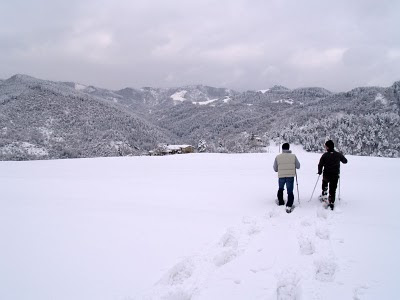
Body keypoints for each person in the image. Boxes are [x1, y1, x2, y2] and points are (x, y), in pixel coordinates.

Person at [318, 140, 348, 210]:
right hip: (335, 175)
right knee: (333, 189)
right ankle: (331, 202)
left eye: (326, 146)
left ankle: (324, 196)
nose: (325, 147)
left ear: (328, 147)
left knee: (325, 185)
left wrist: (319, 172)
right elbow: (345, 161)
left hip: (326, 175)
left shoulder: (325, 155)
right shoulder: (338, 154)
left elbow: (320, 164)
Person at [273, 143, 301, 213]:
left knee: (280, 189)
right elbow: (298, 166)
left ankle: (281, 202)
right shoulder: (293, 156)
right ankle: (289, 205)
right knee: (290, 191)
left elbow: (275, 168)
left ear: (282, 149)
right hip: (290, 176)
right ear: (289, 148)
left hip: (281, 176)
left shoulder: (278, 157)